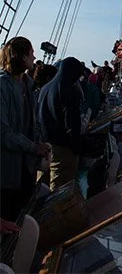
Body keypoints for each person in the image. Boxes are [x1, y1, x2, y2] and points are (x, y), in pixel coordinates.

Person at [0, 37, 50, 222]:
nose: (34, 57)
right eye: (31, 53)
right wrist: (34, 147)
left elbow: (32, 123)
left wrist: (40, 144)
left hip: (26, 171)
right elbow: (3, 133)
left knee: (23, 221)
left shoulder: (27, 85)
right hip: (6, 173)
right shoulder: (2, 86)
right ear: (21, 57)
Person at [35, 57, 89, 192]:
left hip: (44, 145)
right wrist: (76, 147)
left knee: (41, 186)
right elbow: (72, 122)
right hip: (63, 147)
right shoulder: (68, 89)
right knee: (60, 189)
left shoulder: (45, 88)